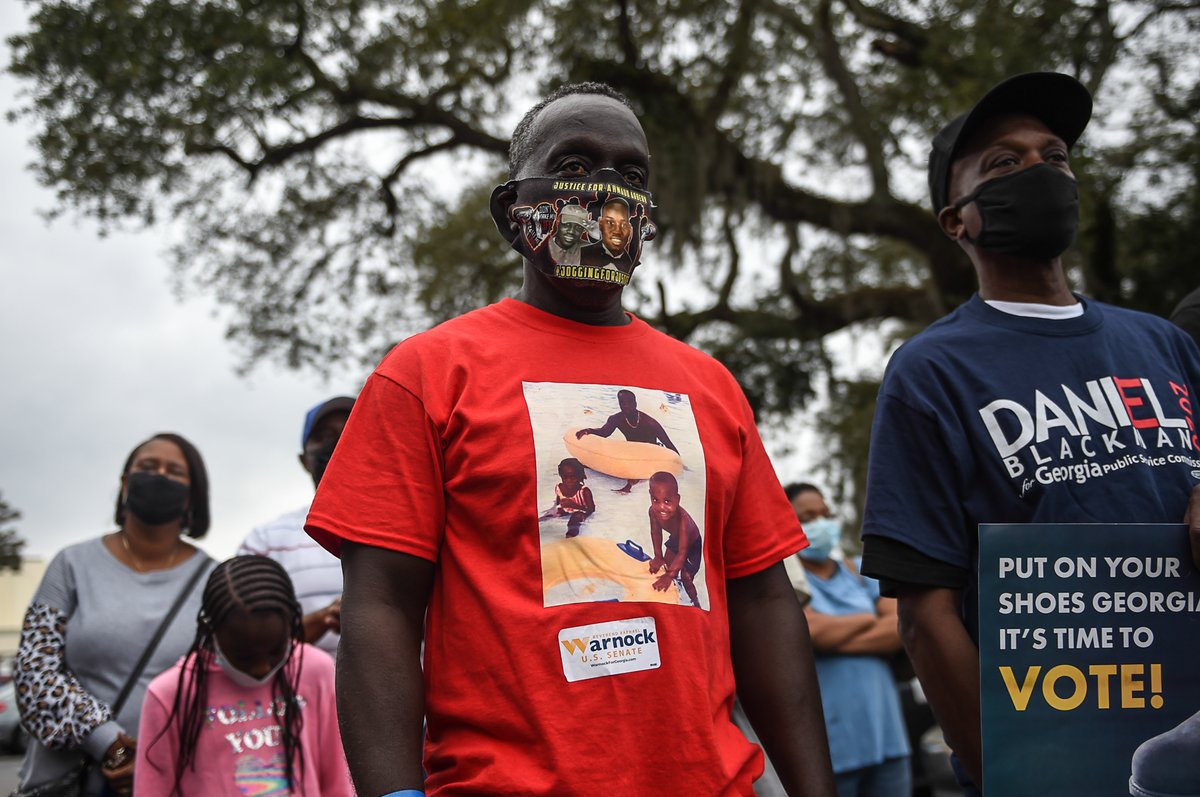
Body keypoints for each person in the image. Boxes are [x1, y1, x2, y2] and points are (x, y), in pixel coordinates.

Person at [305, 82, 836, 796]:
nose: (606, 189)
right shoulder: (427, 374)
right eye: (575, 164)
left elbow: (765, 603)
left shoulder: (710, 386)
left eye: (631, 173)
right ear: (511, 210)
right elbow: (381, 607)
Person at [858, 72, 1200, 796]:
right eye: (1005, 163)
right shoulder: (931, 371)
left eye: (1056, 156)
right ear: (957, 220)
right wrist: (1014, 771)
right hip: (1058, 751)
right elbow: (925, 613)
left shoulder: (1165, 344)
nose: (1041, 170)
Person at [13, 433, 215, 796]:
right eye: (148, 466)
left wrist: (161, 760)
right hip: (71, 782)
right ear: (124, 483)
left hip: (174, 781)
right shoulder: (70, 565)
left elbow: (224, 685)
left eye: (174, 471)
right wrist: (109, 743)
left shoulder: (215, 580)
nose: (159, 476)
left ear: (192, 495)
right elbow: (34, 671)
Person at [135, 556, 353, 797]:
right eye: (244, 656)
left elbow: (336, 778)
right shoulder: (170, 693)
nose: (261, 668)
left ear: (291, 626)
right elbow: (152, 789)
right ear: (211, 630)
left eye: (275, 651)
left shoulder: (314, 670)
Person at [787, 483, 910, 797]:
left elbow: (898, 628)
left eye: (824, 514)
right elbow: (810, 631)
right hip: (832, 752)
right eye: (807, 517)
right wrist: (867, 618)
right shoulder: (790, 582)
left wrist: (830, 639)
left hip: (887, 739)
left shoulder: (860, 571)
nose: (820, 523)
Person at [238, 397, 354, 655]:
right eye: (324, 436)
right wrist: (325, 618)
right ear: (304, 460)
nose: (339, 442)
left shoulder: (419, 529)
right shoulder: (265, 542)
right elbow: (243, 639)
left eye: (352, 430)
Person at [576, 388, 678, 492]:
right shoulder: (616, 419)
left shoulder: (650, 422)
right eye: (623, 403)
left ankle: (629, 486)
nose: (626, 406)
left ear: (635, 403)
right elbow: (604, 432)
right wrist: (589, 430)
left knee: (636, 464)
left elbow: (668, 444)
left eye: (629, 402)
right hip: (632, 451)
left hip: (651, 454)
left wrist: (677, 462)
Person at [646, 471, 702, 606]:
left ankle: (695, 602)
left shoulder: (683, 521)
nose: (661, 507)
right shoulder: (653, 512)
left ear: (677, 499)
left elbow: (682, 552)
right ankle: (675, 591)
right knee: (666, 566)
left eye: (667, 501)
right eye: (655, 500)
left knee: (686, 577)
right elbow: (656, 532)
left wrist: (670, 575)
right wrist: (658, 556)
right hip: (676, 539)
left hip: (692, 544)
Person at [538, 457, 595, 537]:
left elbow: (591, 509)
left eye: (573, 477)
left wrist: (574, 505)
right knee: (548, 515)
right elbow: (558, 503)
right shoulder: (559, 488)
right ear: (561, 476)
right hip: (565, 509)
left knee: (575, 519)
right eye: (565, 477)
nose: (569, 480)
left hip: (579, 510)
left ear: (579, 476)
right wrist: (553, 510)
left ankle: (570, 534)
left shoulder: (584, 491)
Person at [589, 197, 635, 272]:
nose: (617, 231)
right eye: (610, 223)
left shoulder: (632, 263)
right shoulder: (582, 254)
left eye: (624, 225)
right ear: (600, 224)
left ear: (630, 230)